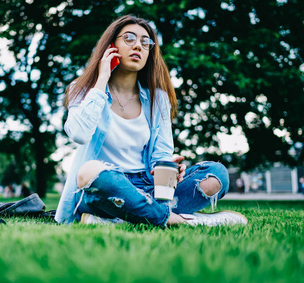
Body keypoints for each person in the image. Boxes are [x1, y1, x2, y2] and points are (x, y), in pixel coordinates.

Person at [55, 15, 247, 227]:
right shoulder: (83, 90)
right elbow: (78, 134)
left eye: (145, 42)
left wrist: (168, 168)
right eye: (129, 38)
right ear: (111, 46)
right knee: (89, 171)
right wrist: (101, 79)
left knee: (216, 174)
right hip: (105, 184)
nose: (138, 45)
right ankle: (179, 219)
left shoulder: (158, 98)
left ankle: (122, 219)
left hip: (147, 186)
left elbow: (161, 154)